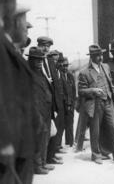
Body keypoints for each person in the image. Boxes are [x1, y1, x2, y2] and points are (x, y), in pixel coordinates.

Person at [0, 1, 35, 184]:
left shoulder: (10, 49)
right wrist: (4, 143)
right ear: (14, 22)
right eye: (24, 24)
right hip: (9, 153)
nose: (26, 30)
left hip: (21, 148)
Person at [78, 44, 114, 164]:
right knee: (95, 130)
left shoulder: (106, 67)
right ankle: (96, 155)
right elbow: (81, 91)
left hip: (108, 101)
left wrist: (113, 90)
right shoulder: (84, 72)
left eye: (101, 54)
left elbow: (109, 82)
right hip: (95, 104)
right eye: (97, 55)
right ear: (91, 57)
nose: (100, 57)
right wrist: (92, 90)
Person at [37, 36, 64, 164]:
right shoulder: (35, 60)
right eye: (43, 45)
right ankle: (44, 159)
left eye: (48, 46)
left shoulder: (50, 61)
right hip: (42, 102)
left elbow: (56, 84)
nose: (46, 48)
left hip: (52, 102)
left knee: (54, 130)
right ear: (38, 45)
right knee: (45, 131)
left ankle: (51, 156)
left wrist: (58, 104)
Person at [27, 47, 54, 175]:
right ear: (31, 60)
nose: (40, 63)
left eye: (41, 60)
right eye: (37, 60)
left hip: (46, 110)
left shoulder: (40, 72)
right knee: (38, 138)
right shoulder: (28, 73)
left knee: (45, 137)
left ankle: (43, 163)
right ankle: (37, 166)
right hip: (36, 112)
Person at [59, 57, 76, 147]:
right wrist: (66, 103)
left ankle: (70, 142)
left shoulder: (70, 76)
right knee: (61, 125)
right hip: (63, 104)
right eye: (63, 66)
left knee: (70, 123)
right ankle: (58, 145)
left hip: (70, 104)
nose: (65, 67)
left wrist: (73, 103)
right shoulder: (59, 75)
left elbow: (73, 91)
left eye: (66, 65)